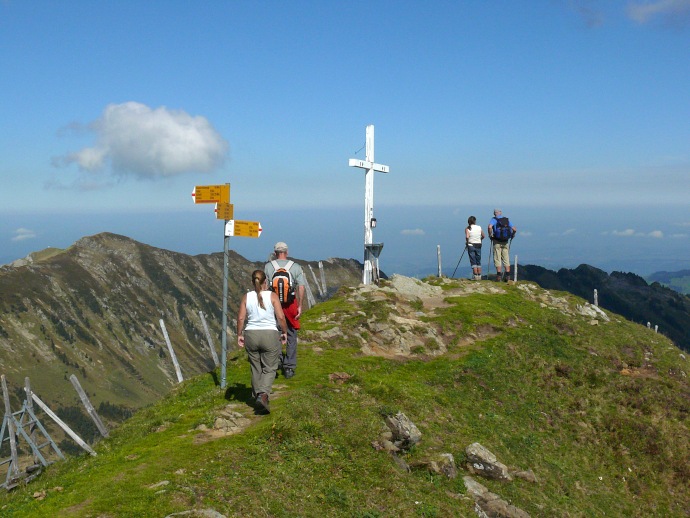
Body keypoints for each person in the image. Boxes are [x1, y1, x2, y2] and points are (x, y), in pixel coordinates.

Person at [236, 270, 288, 414]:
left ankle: (258, 396)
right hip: (269, 334)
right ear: (266, 282)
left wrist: (239, 334)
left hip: (251, 334)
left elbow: (241, 318)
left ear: (253, 282)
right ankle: (263, 394)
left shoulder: (247, 297)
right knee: (270, 367)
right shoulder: (272, 296)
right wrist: (284, 332)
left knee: (255, 367)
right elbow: (281, 317)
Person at [264, 242, 306, 379]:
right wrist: (300, 305)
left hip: (273, 303)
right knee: (292, 334)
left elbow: (265, 287)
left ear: (275, 253)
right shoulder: (295, 267)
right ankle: (289, 368)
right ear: (287, 252)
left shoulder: (269, 267)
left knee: (274, 334)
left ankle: (275, 364)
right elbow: (301, 287)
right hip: (290, 304)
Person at [488, 209, 516, 282]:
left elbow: (489, 227)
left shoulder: (494, 219)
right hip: (505, 241)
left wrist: (490, 235)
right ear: (501, 213)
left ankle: (499, 276)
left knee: (497, 258)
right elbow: (514, 229)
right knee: (506, 259)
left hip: (497, 241)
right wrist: (512, 235)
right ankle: (508, 276)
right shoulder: (506, 220)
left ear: (494, 214)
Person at [465, 216, 485, 280]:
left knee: (473, 260)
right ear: (475, 221)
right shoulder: (479, 227)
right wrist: (480, 239)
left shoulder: (468, 228)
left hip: (471, 245)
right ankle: (479, 275)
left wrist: (467, 242)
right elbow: (483, 235)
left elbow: (467, 237)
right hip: (478, 244)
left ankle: (475, 275)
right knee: (478, 259)